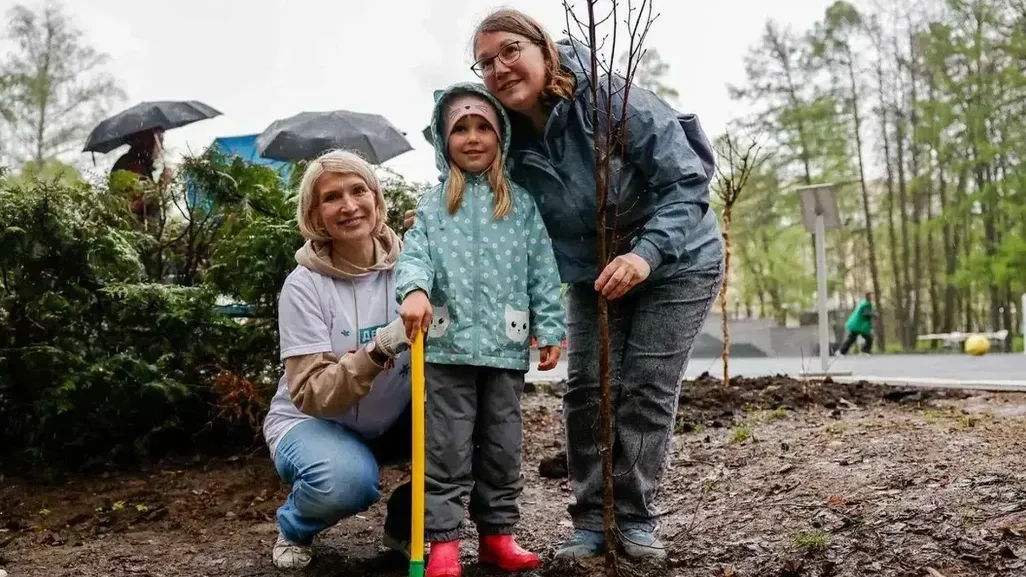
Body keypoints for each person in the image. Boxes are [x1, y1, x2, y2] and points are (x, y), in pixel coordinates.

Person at [466, 8, 724, 561]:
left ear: (543, 49)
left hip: (678, 259)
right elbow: (504, 226)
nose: (500, 67)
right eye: (486, 62)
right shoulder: (505, 140)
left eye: (510, 50)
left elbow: (685, 178)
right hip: (593, 272)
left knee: (645, 388)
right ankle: (590, 521)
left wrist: (647, 254)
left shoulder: (607, 98)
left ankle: (632, 519)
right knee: (587, 390)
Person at [396, 83, 565, 577]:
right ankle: (443, 543)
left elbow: (542, 269)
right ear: (443, 141)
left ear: (501, 135)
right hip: (446, 348)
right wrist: (414, 292)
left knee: (502, 446)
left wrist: (550, 327)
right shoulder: (432, 205)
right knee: (445, 448)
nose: (472, 138)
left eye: (482, 127)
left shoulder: (520, 204)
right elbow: (415, 256)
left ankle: (496, 536)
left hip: (505, 348)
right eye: (460, 129)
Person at [261, 149, 415, 570]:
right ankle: (295, 527)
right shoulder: (303, 285)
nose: (348, 206)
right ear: (314, 213)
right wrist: (379, 348)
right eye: (331, 198)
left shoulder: (412, 268)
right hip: (313, 421)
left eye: (358, 190)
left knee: (473, 431)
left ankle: (405, 525)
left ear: (376, 198)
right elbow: (313, 394)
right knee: (346, 482)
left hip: (392, 418)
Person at [110, 128, 172, 220]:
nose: (161, 148)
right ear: (148, 142)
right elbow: (134, 206)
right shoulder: (132, 166)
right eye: (159, 142)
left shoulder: (141, 164)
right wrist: (161, 185)